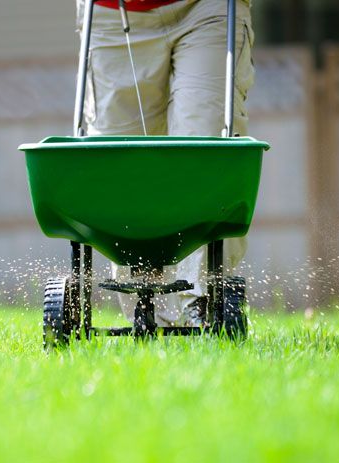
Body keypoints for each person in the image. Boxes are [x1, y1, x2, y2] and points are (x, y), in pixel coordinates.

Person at [77, 0, 254, 326]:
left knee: (205, 142)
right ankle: (146, 309)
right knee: (122, 163)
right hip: (113, 12)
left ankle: (203, 301)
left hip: (206, 9)